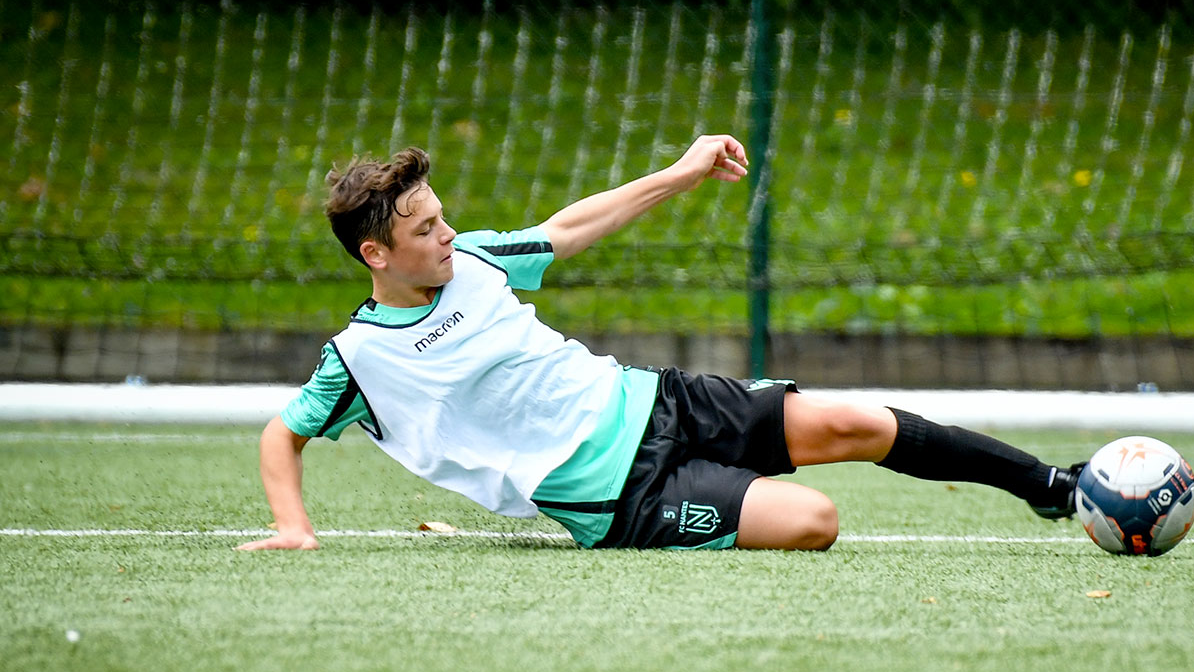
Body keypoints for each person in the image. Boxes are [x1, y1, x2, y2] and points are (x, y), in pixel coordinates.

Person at [237, 134, 1080, 553]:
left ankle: (1051, 486)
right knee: (814, 522)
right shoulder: (359, 358)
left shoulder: (480, 261)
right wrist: (292, 524)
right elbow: (286, 432)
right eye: (426, 230)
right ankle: (732, 490)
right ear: (375, 255)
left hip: (657, 398)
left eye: (444, 215)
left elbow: (572, 225)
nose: (449, 234)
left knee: (861, 423)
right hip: (621, 496)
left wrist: (682, 170)